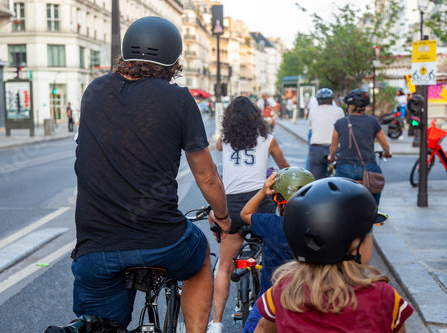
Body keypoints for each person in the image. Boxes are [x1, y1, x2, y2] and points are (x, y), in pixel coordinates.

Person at [71, 17, 230, 333]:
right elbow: (207, 176)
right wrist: (223, 218)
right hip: (161, 239)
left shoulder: (94, 91)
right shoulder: (178, 99)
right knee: (198, 254)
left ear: (125, 53)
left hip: (94, 247)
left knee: (101, 327)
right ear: (173, 60)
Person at [255, 177, 414, 332]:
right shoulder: (383, 298)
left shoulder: (282, 293)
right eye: (368, 233)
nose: (370, 238)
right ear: (353, 246)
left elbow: (263, 327)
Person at [208, 96, 289, 333]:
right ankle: (274, 307)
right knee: (274, 253)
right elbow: (284, 168)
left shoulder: (225, 140)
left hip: (231, 207)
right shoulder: (268, 140)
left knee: (224, 266)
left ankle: (216, 324)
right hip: (259, 204)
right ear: (257, 118)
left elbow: (221, 148)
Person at [240, 167, 315, 333]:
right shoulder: (316, 227)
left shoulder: (271, 224)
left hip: (270, 301)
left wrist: (262, 192)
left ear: (278, 201)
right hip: (307, 301)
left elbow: (246, 213)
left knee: (251, 328)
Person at [328, 89, 392, 205]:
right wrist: (387, 153)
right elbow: (385, 144)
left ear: (351, 106)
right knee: (376, 188)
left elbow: (333, 148)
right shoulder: (373, 121)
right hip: (369, 167)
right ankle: (374, 212)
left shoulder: (340, 123)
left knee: (335, 194)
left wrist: (331, 157)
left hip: (344, 168)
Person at [307, 88, 345, 179]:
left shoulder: (313, 110)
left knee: (315, 180)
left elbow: (310, 125)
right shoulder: (339, 111)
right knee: (339, 178)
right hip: (335, 148)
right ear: (332, 100)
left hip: (317, 149)